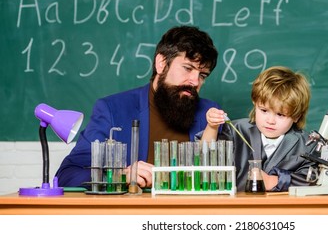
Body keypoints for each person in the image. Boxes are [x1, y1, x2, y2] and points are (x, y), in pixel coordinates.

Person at [56, 25, 220, 188]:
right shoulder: (113, 110)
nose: (195, 81)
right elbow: (68, 174)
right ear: (161, 63)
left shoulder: (209, 114)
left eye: (202, 75)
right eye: (188, 68)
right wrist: (119, 176)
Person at [199, 66, 328, 192]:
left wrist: (275, 180)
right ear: (255, 102)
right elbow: (204, 158)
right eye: (264, 110)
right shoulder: (236, 130)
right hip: (236, 209)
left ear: (296, 116)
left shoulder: (307, 144)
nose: (270, 120)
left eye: (280, 114)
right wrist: (212, 127)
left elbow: (310, 179)